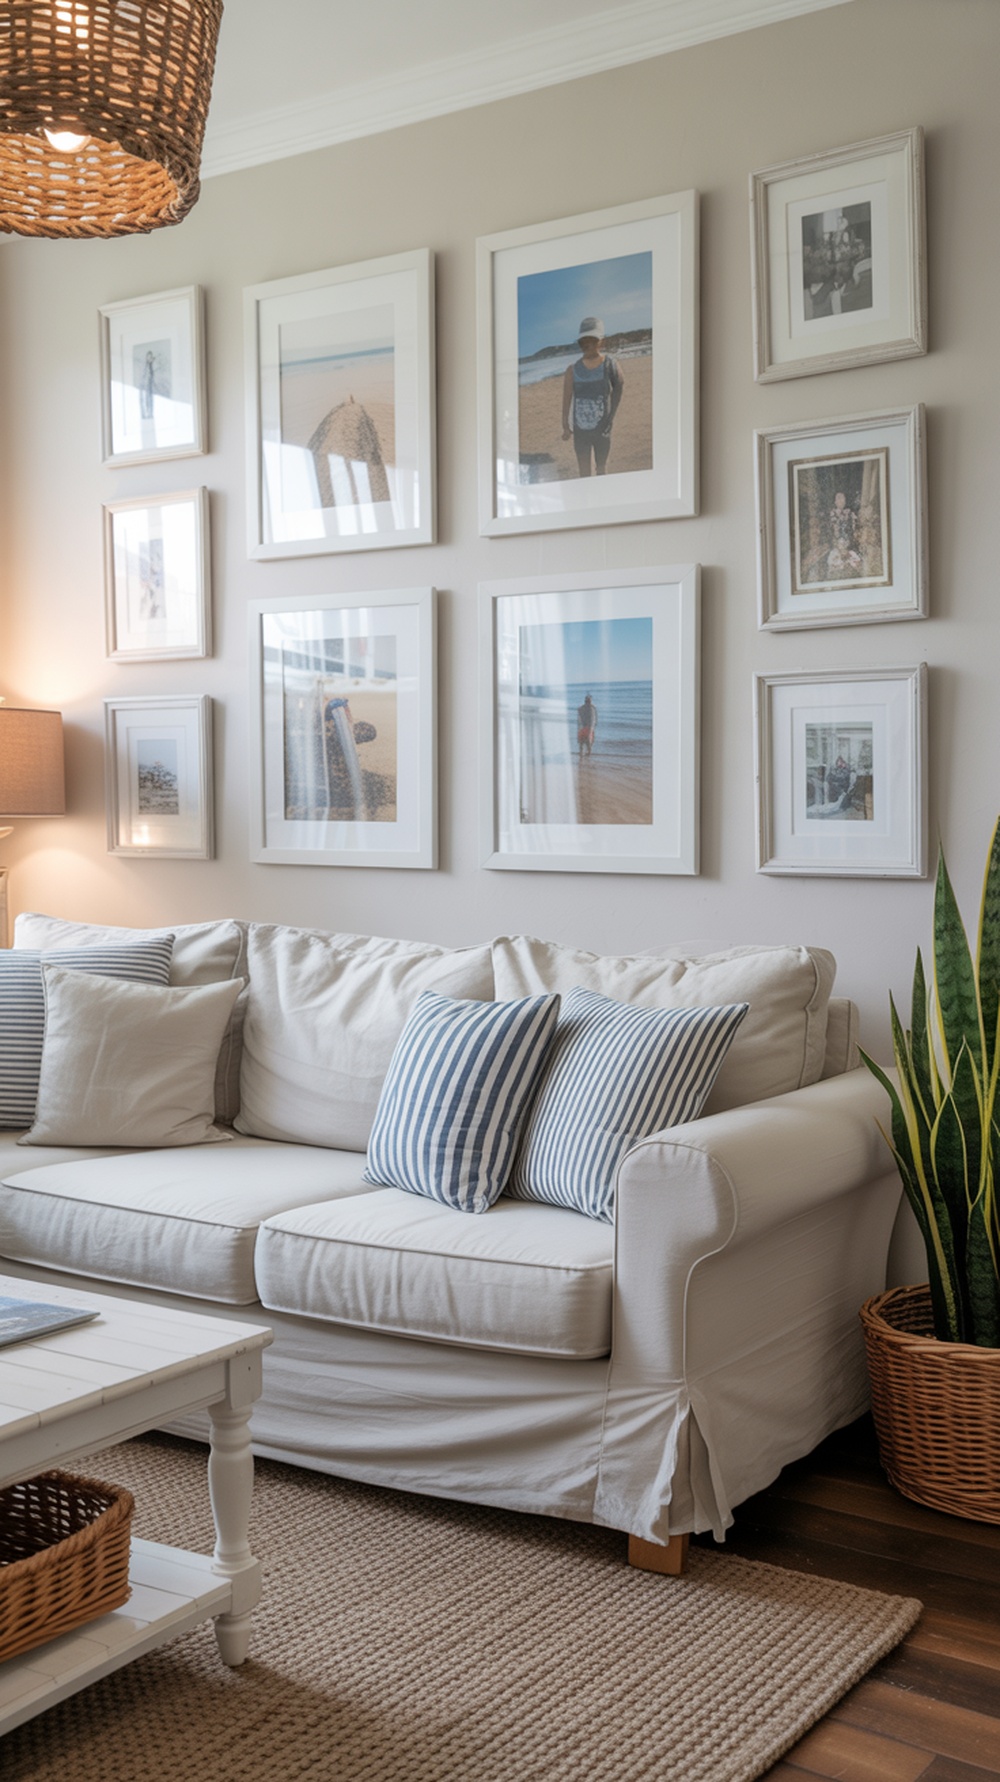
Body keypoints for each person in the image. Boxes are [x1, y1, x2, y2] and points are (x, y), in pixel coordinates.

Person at [561, 318, 623, 477]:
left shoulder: (610, 365)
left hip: (602, 429)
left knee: (601, 469)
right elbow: (567, 398)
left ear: (601, 341)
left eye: (592, 340)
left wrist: (611, 416)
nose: (587, 344)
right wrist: (565, 425)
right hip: (580, 432)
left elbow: (619, 387)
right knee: (584, 472)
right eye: (583, 341)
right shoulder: (572, 370)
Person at [577, 692, 598, 761]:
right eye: (590, 700)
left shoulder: (582, 708)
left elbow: (579, 713)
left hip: (583, 726)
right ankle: (588, 752)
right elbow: (594, 718)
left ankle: (581, 753)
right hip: (588, 726)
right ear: (589, 701)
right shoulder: (592, 708)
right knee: (588, 740)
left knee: (581, 741)